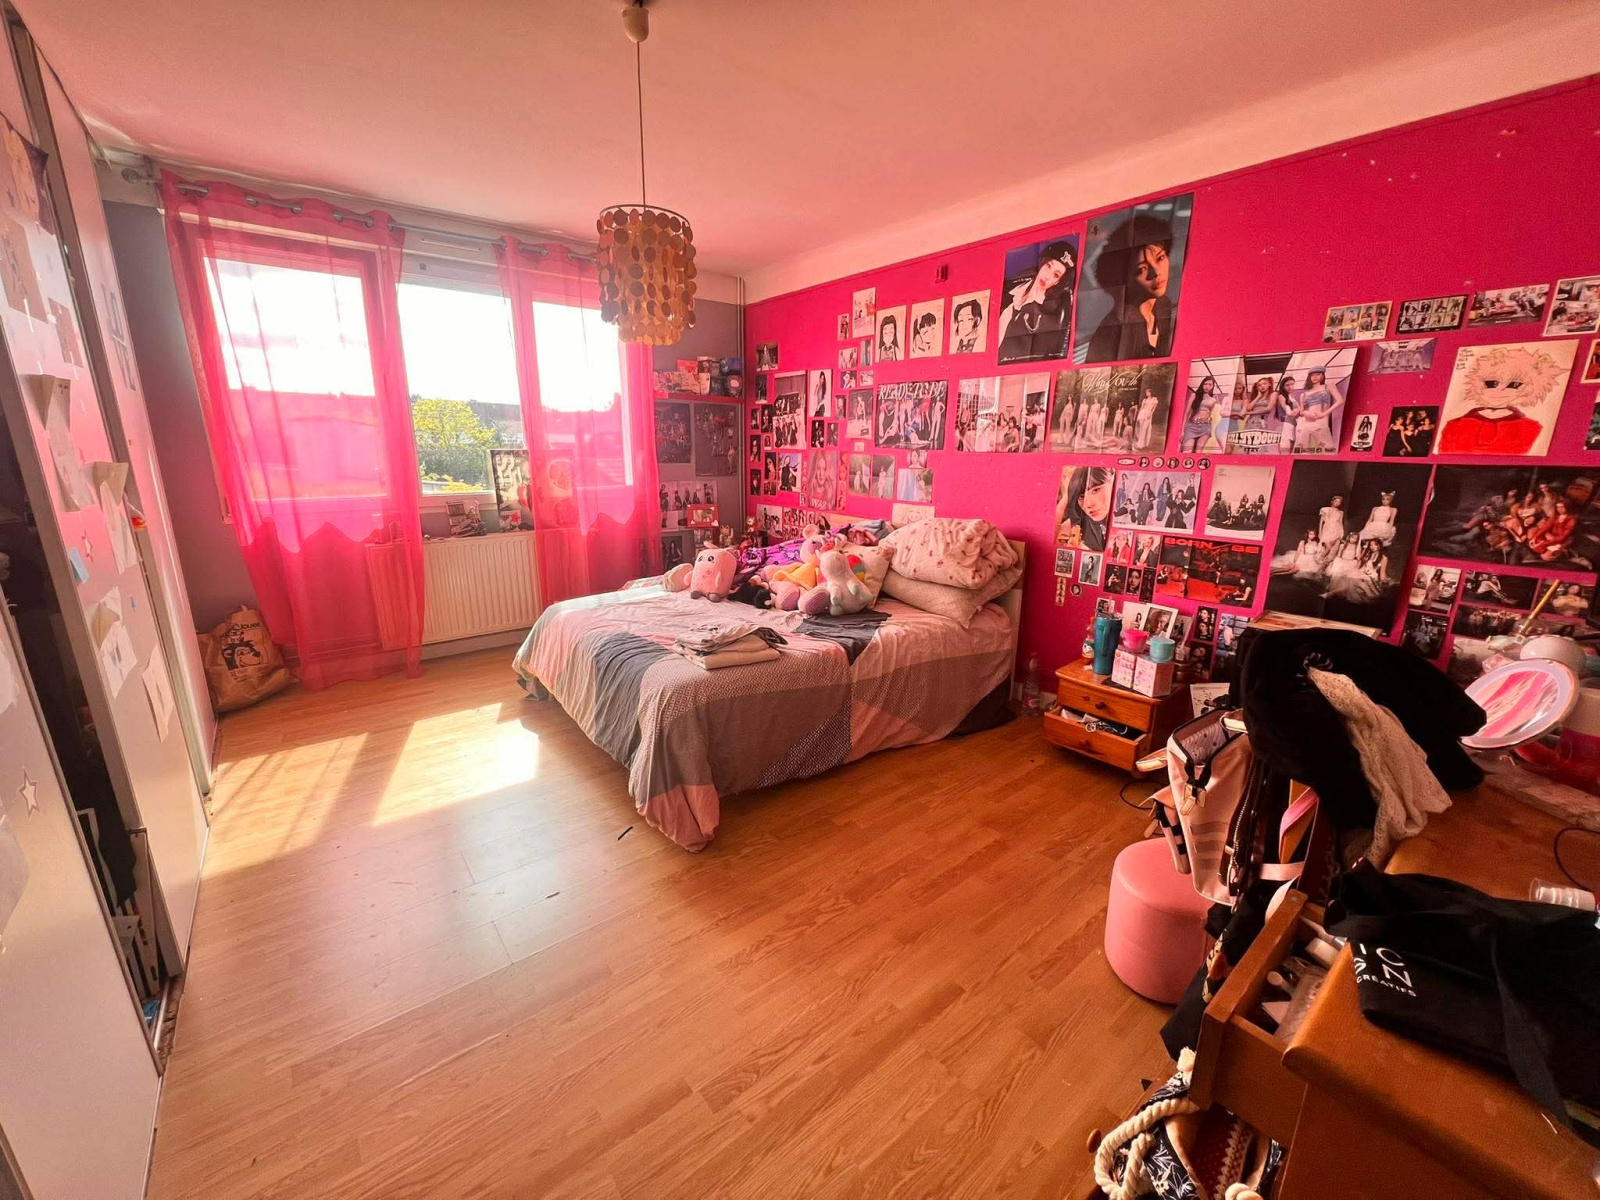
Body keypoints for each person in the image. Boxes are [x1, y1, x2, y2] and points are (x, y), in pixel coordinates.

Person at [1084, 210, 1178, 361]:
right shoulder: (1112, 330)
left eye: (1160, 258)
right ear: (1127, 279)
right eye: (1142, 269)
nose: (1156, 272)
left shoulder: (1163, 306)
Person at [997, 241, 1076, 363]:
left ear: (1058, 282)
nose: (1047, 276)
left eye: (1056, 275)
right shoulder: (1010, 288)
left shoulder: (1050, 313)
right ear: (1042, 262)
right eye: (1048, 266)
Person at [1056, 466, 1113, 551]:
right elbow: (1050, 536)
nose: (1088, 504)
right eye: (1081, 497)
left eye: (1095, 490)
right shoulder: (1078, 522)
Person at [1292, 368, 1344, 451]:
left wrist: (1324, 413)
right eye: (1312, 375)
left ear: (1323, 376)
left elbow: (1340, 400)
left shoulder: (1328, 386)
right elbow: (1301, 412)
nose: (1314, 377)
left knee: (1327, 447)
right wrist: (1306, 413)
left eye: (1318, 374)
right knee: (1303, 448)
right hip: (1306, 421)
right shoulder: (1304, 394)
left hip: (1321, 419)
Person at [1182, 376, 1219, 453]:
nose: (1207, 386)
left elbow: (1209, 414)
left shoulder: (1213, 400)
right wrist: (1182, 430)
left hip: (1205, 427)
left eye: (1210, 384)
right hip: (1192, 426)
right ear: (1202, 384)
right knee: (1187, 452)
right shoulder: (1194, 396)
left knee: (1198, 453)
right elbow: (1187, 413)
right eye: (1205, 384)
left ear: (1213, 386)